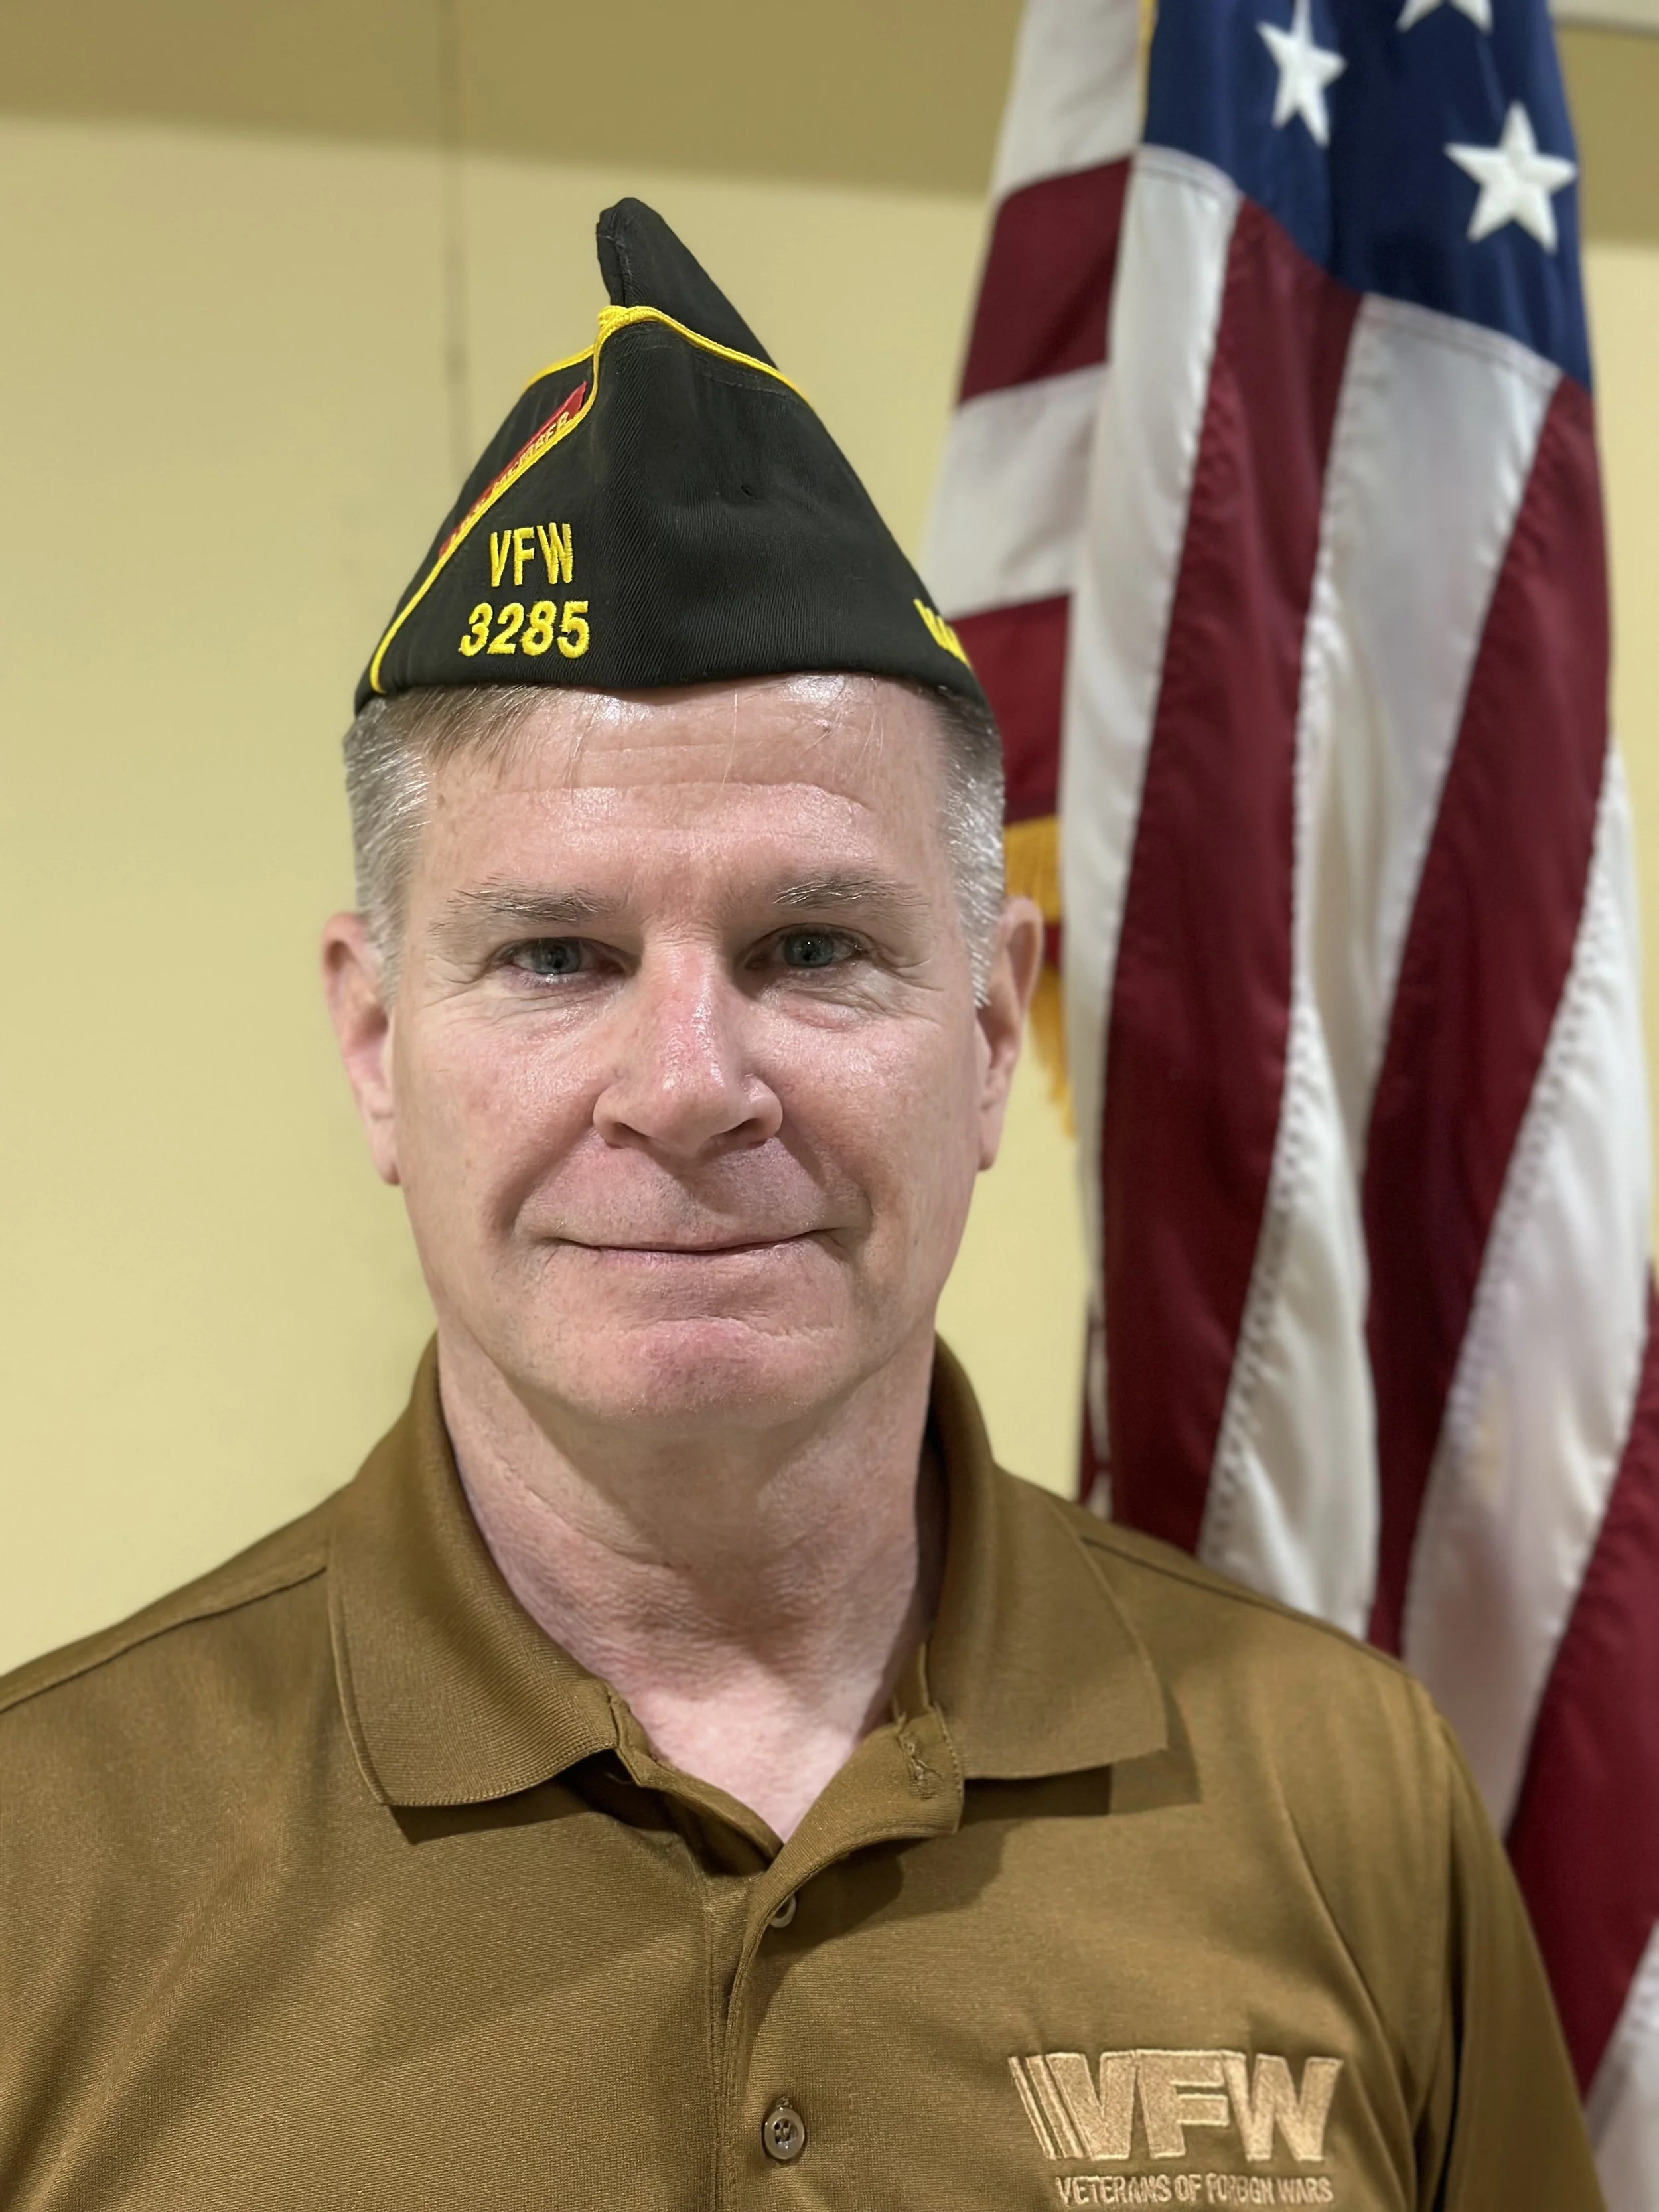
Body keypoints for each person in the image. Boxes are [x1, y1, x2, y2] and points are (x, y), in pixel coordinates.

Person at [0, 200, 1602, 2210]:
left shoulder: (1342, 1797)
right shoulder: (38, 1864)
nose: (687, 1085)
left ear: (994, 1015)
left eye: (813, 944)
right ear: (370, 1038)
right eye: (557, 957)